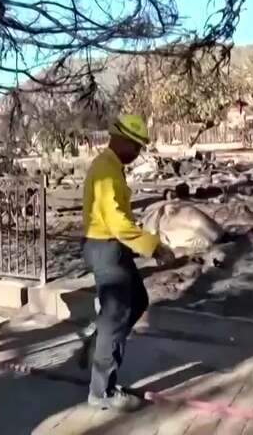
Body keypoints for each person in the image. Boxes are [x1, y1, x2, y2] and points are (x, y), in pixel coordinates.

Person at [81, 114, 175, 412]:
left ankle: (101, 338)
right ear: (119, 139)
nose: (137, 152)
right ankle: (102, 392)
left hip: (113, 246)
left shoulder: (111, 167)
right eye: (135, 145)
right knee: (117, 316)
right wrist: (153, 246)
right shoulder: (106, 171)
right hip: (107, 248)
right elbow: (118, 223)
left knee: (137, 301)